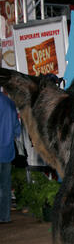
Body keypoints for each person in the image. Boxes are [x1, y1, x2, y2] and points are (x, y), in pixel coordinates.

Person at [0, 89, 21, 223]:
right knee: (6, 185)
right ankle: (5, 216)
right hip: (7, 150)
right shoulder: (9, 102)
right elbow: (17, 129)